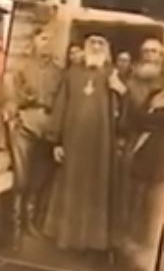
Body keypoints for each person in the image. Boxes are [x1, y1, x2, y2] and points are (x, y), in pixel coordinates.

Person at [43, 33, 124, 258]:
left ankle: (93, 242)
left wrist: (119, 90)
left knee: (95, 191)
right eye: (92, 43)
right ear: (86, 47)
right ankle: (67, 238)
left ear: (106, 49)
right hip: (73, 143)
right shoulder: (72, 74)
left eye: (101, 43)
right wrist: (56, 141)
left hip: (100, 146)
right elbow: (60, 106)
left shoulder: (112, 74)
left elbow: (121, 111)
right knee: (70, 187)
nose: (96, 47)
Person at [124, 54, 164, 265]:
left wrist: (152, 119)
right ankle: (132, 245)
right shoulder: (156, 95)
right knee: (136, 197)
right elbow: (137, 119)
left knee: (156, 201)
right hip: (146, 150)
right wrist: (151, 119)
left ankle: (150, 249)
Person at [4, 26, 63, 239]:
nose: (47, 43)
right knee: (22, 178)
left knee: (40, 178)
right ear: (34, 42)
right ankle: (15, 227)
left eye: (50, 39)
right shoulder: (21, 68)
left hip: (48, 129)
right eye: (43, 39)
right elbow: (10, 98)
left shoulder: (59, 73)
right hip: (25, 125)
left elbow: (63, 103)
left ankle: (29, 223)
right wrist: (18, 106)